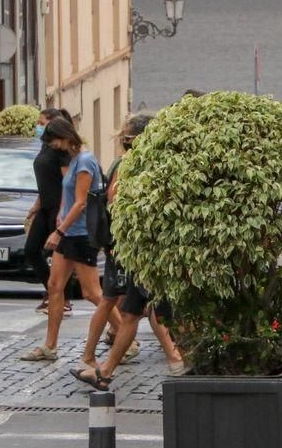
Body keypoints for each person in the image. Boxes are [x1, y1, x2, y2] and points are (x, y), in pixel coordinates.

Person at [74, 115, 185, 390]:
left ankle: (181, 363)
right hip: (140, 253)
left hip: (148, 253)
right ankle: (108, 371)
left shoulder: (142, 168)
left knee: (157, 313)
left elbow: (119, 200)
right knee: (133, 313)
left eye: (128, 138)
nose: (125, 143)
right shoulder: (141, 166)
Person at [21, 118, 122, 362]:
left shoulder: (85, 161)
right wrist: (59, 215)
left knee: (91, 292)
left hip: (80, 234)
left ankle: (126, 336)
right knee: (55, 286)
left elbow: (81, 201)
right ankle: (50, 345)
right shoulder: (74, 159)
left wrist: (59, 231)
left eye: (54, 141)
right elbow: (68, 196)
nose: (53, 146)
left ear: (66, 137)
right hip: (69, 232)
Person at [26, 107, 74, 315]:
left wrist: (63, 211)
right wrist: (36, 206)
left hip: (58, 207)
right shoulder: (45, 146)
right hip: (45, 206)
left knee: (58, 255)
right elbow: (45, 179)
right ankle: (53, 292)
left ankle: (61, 297)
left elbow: (66, 182)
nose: (38, 126)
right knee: (31, 250)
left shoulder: (60, 148)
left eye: (41, 122)